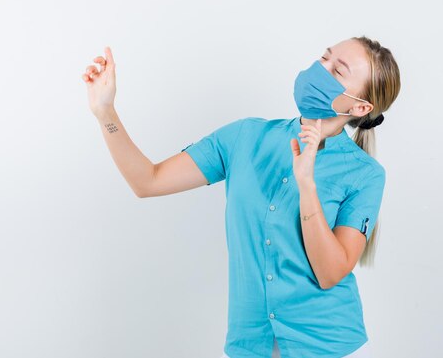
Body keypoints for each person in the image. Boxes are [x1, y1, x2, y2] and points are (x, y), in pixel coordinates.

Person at [81, 36, 401, 358]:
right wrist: (105, 112)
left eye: (337, 71)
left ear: (360, 107)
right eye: (325, 57)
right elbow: (147, 182)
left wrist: (307, 186)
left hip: (327, 345)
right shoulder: (244, 137)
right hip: (250, 345)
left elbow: (331, 273)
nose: (321, 69)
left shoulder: (365, 174)